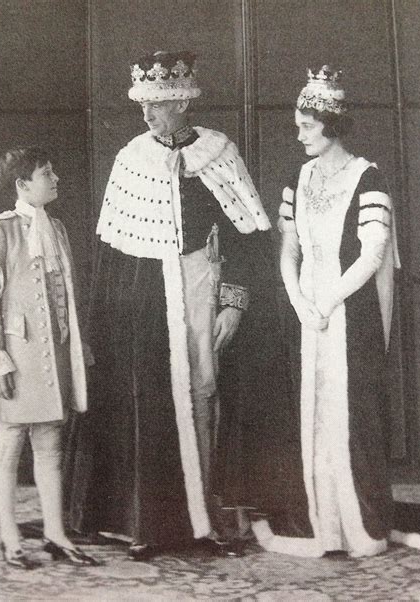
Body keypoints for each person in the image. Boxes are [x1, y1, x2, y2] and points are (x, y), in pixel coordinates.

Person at [65, 51, 272, 561]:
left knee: (206, 392)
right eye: (144, 106)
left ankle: (212, 519)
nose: (147, 116)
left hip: (204, 279)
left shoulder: (220, 153)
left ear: (181, 102)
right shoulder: (131, 158)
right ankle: (153, 521)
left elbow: (249, 237)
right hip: (146, 295)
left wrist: (233, 303)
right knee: (152, 401)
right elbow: (111, 253)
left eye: (156, 105)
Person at [252, 66, 401, 558]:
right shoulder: (299, 176)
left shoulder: (367, 176)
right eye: (298, 125)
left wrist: (328, 301)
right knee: (309, 415)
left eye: (308, 126)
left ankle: (360, 526)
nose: (299, 134)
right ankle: (322, 522)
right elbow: (287, 248)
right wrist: (298, 300)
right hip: (306, 315)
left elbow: (372, 254)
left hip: (348, 312)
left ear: (332, 125)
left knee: (350, 414)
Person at [0, 147, 98, 569]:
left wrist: (77, 348)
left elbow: (68, 299)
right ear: (23, 184)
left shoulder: (56, 228)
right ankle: (10, 538)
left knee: (50, 444)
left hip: (53, 357)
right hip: (17, 359)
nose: (55, 178)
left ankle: (56, 535)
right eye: (46, 173)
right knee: (8, 444)